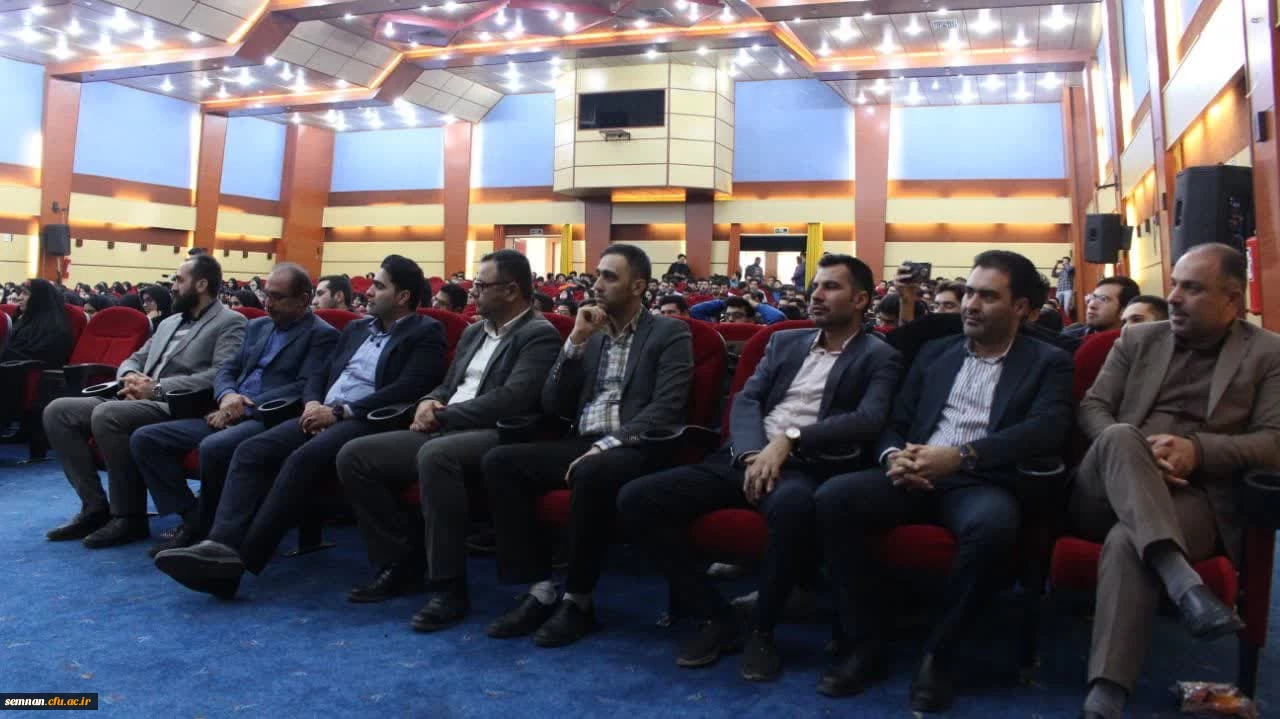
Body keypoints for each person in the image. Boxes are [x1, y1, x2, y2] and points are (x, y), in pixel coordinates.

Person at [618, 255, 903, 681]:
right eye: (816, 286)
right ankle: (717, 615)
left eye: (831, 287)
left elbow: (868, 419)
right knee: (636, 499)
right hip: (744, 456)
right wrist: (753, 453)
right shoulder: (784, 342)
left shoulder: (879, 355)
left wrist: (789, 441)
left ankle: (763, 629)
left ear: (861, 300)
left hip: (805, 465)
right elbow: (747, 399)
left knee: (793, 508)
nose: (817, 295)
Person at [814, 250, 1074, 711]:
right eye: (969, 292)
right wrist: (894, 456)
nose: (971, 304)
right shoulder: (936, 352)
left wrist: (961, 457)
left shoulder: (1047, 361)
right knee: (834, 498)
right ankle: (863, 643)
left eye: (987, 296)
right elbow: (896, 420)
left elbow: (1047, 428)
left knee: (992, 526)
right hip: (912, 468)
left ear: (1020, 307)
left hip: (980, 479)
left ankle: (939, 655)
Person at [1067, 244, 1280, 719]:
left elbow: (1274, 442)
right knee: (1121, 434)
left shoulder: (1269, 353)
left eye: (1193, 288)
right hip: (1103, 487)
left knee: (1128, 539)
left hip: (1195, 499)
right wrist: (1137, 454)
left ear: (1232, 299)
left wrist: (1197, 450)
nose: (1175, 297)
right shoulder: (1138, 339)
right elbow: (1093, 407)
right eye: (1175, 285)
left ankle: (1107, 692)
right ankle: (1185, 584)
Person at [154, 255, 448, 599]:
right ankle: (219, 544)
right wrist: (312, 403)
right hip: (320, 410)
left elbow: (409, 387)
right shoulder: (357, 329)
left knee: (300, 460)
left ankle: (238, 564)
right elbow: (320, 374)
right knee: (251, 450)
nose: (368, 292)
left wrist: (339, 412)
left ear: (403, 297)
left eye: (379, 286)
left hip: (366, 418)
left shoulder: (425, 332)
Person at [480, 244, 693, 648]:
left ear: (638, 286)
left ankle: (578, 600)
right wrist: (575, 342)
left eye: (609, 277)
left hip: (636, 446)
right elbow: (553, 404)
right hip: (582, 441)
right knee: (500, 462)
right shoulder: (591, 335)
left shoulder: (669, 333)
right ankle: (540, 588)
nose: (596, 284)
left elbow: (667, 408)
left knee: (592, 471)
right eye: (597, 274)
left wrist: (609, 444)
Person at [336, 250, 562, 630]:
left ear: (510, 290)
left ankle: (449, 587)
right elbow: (448, 385)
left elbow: (513, 399)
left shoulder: (538, 334)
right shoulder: (475, 331)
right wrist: (429, 401)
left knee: (436, 455)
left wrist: (442, 416)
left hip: (497, 432)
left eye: (481, 285)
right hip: (447, 425)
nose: (472, 292)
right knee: (355, 455)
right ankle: (401, 561)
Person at [128, 264, 338, 557]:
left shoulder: (322, 335)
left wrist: (245, 407)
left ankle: (206, 531)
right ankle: (193, 517)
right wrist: (227, 395)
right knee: (146, 439)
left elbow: (304, 386)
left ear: (304, 299)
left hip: (269, 417)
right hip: (227, 409)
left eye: (278, 297)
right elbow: (227, 369)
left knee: (214, 447)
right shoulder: (258, 326)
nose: (268, 303)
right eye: (267, 295)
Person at [44, 255, 247, 548]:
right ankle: (94, 507)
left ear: (201, 284)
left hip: (179, 403)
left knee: (107, 414)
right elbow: (134, 359)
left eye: (179, 280)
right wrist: (129, 378)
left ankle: (129, 516)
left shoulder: (230, 322)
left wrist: (157, 389)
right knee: (58, 411)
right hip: (138, 397)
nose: (173, 287)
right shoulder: (170, 322)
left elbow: (221, 373)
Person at [0, 280, 75, 435]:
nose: (19, 297)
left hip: (35, 372)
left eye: (25, 294)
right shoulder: (24, 320)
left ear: (40, 299)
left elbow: (48, 357)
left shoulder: (56, 327)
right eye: (20, 293)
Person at [1064, 276, 1140, 339]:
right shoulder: (1068, 341)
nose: (1091, 305)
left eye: (1103, 299)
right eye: (1093, 297)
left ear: (1124, 311)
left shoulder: (1136, 345)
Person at [691, 291, 784, 324]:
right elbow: (694, 311)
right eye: (727, 315)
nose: (731, 319)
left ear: (750, 319)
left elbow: (778, 317)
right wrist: (728, 301)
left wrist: (752, 303)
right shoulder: (718, 326)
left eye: (737, 315)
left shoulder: (758, 330)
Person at [1052, 256, 1075, 320]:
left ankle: (1067, 321)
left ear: (1068, 261)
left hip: (1068, 290)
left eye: (1065, 260)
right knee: (1056, 307)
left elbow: (1068, 270)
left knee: (1066, 308)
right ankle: (1058, 320)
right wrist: (1056, 264)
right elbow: (1053, 275)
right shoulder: (1061, 271)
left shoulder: (1071, 267)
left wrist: (1065, 264)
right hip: (1059, 290)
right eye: (1063, 260)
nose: (1063, 262)